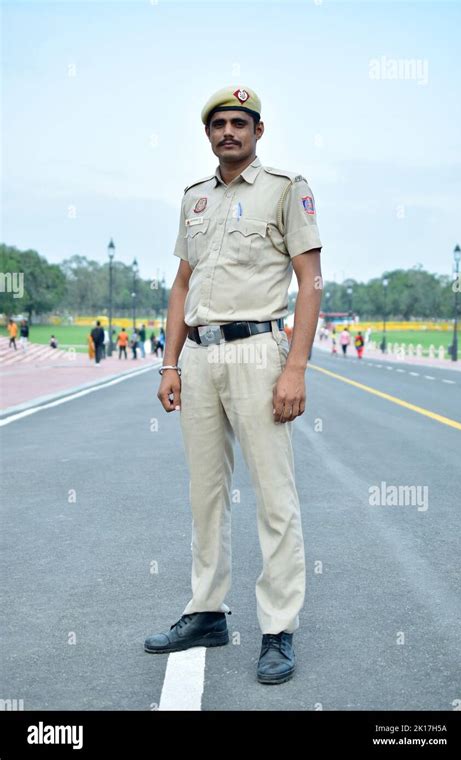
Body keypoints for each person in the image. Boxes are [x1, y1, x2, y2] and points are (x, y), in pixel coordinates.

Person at [145, 85, 323, 685]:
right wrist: (169, 363)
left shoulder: (285, 189)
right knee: (206, 495)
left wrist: (295, 367)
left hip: (258, 353)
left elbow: (311, 280)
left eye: (239, 123)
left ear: (258, 132)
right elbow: (180, 284)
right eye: (219, 123)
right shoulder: (194, 200)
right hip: (198, 357)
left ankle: (277, 629)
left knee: (274, 497)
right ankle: (206, 611)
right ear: (208, 134)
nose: (229, 132)